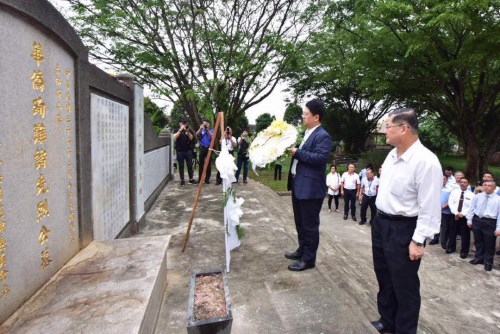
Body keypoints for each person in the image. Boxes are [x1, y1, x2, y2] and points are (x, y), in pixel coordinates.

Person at [371, 108, 442, 334]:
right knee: (384, 276)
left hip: (403, 228)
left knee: (405, 284)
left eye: (388, 128)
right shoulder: (392, 155)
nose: (385, 133)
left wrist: (419, 240)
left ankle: (405, 329)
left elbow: (429, 206)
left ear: (404, 128)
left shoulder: (426, 161)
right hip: (381, 223)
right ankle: (387, 320)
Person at [285, 98, 332, 272]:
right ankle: (302, 250)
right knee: (300, 222)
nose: (303, 117)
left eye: (306, 114)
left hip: (311, 189)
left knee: (310, 225)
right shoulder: (307, 133)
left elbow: (319, 159)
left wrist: (298, 152)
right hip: (299, 184)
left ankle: (309, 259)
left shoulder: (323, 136)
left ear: (316, 117)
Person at [466, 180, 500, 271]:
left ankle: (488, 262)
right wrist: (469, 220)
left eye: (489, 185)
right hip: (477, 220)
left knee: (489, 244)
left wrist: (498, 228)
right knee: (478, 241)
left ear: (494, 188)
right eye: (485, 185)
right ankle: (478, 258)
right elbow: (471, 208)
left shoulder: (498, 199)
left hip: (490, 222)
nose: (486, 187)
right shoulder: (477, 196)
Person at [447, 177, 474, 258]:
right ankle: (451, 247)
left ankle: (464, 252)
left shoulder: (472, 195)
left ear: (468, 184)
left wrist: (462, 214)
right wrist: (456, 213)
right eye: (461, 182)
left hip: (464, 217)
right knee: (452, 232)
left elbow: (471, 207)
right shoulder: (454, 192)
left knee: (465, 235)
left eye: (465, 182)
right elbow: (450, 202)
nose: (462, 184)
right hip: (454, 215)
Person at [429, 174, 454, 248]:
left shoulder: (450, 188)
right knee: (435, 225)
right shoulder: (434, 187)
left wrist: (443, 206)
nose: (442, 180)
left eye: (444, 179)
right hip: (435, 210)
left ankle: (444, 242)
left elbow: (451, 200)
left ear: (446, 180)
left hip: (445, 211)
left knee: (444, 227)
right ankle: (435, 238)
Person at [173, 118, 197, 186]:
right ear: (179, 123)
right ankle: (182, 180)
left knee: (189, 165)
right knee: (181, 166)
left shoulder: (189, 130)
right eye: (182, 123)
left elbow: (191, 138)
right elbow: (175, 137)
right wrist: (180, 130)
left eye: (185, 123)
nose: (184, 124)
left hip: (188, 151)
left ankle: (191, 179)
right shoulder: (176, 130)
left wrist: (187, 131)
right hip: (180, 151)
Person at [196, 119, 215, 184]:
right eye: (204, 124)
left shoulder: (212, 130)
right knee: (201, 163)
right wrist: (200, 128)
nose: (206, 125)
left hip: (209, 148)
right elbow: (197, 134)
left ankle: (207, 179)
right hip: (202, 147)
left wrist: (207, 131)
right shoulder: (202, 130)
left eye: (207, 124)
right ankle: (200, 179)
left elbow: (213, 137)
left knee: (208, 164)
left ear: (209, 124)